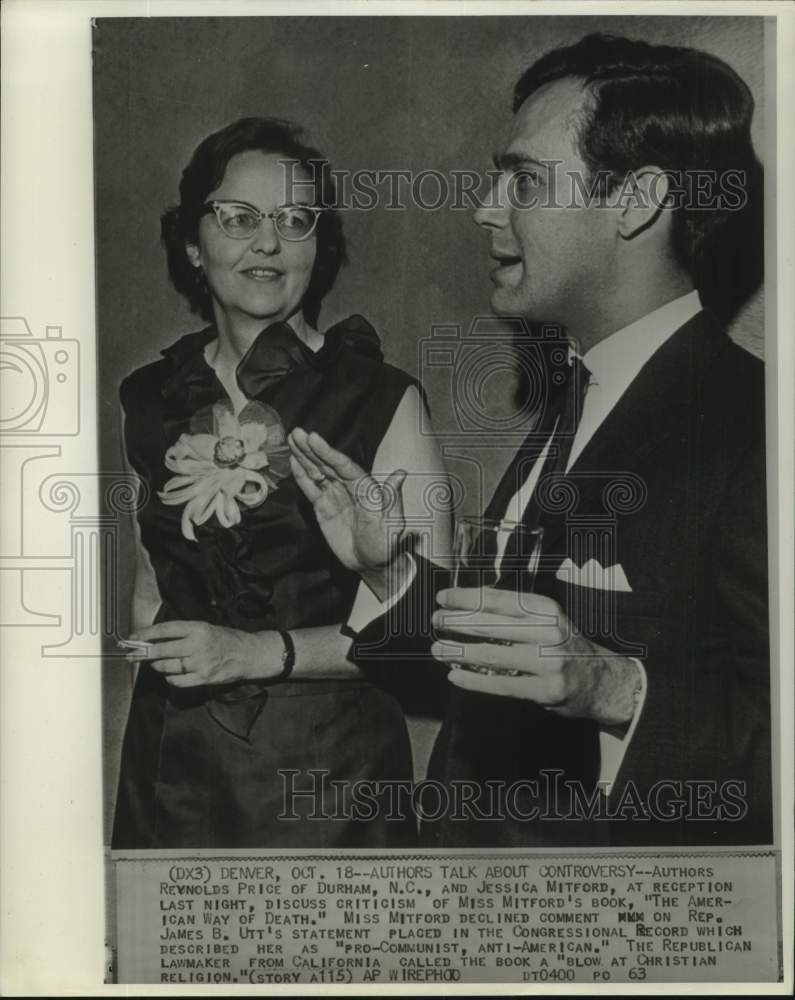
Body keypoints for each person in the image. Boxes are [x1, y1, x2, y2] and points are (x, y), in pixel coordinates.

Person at [289, 34, 770, 847]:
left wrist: (618, 690)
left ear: (637, 199)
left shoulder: (756, 425)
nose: (484, 206)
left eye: (523, 179)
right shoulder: (577, 397)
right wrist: (391, 571)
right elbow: (493, 678)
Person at [111, 117, 450, 849]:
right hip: (173, 768)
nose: (267, 242)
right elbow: (151, 576)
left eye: (294, 221)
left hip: (329, 777)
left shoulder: (381, 396)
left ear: (317, 249)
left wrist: (249, 652)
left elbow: (429, 630)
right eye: (237, 218)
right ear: (194, 246)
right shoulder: (147, 396)